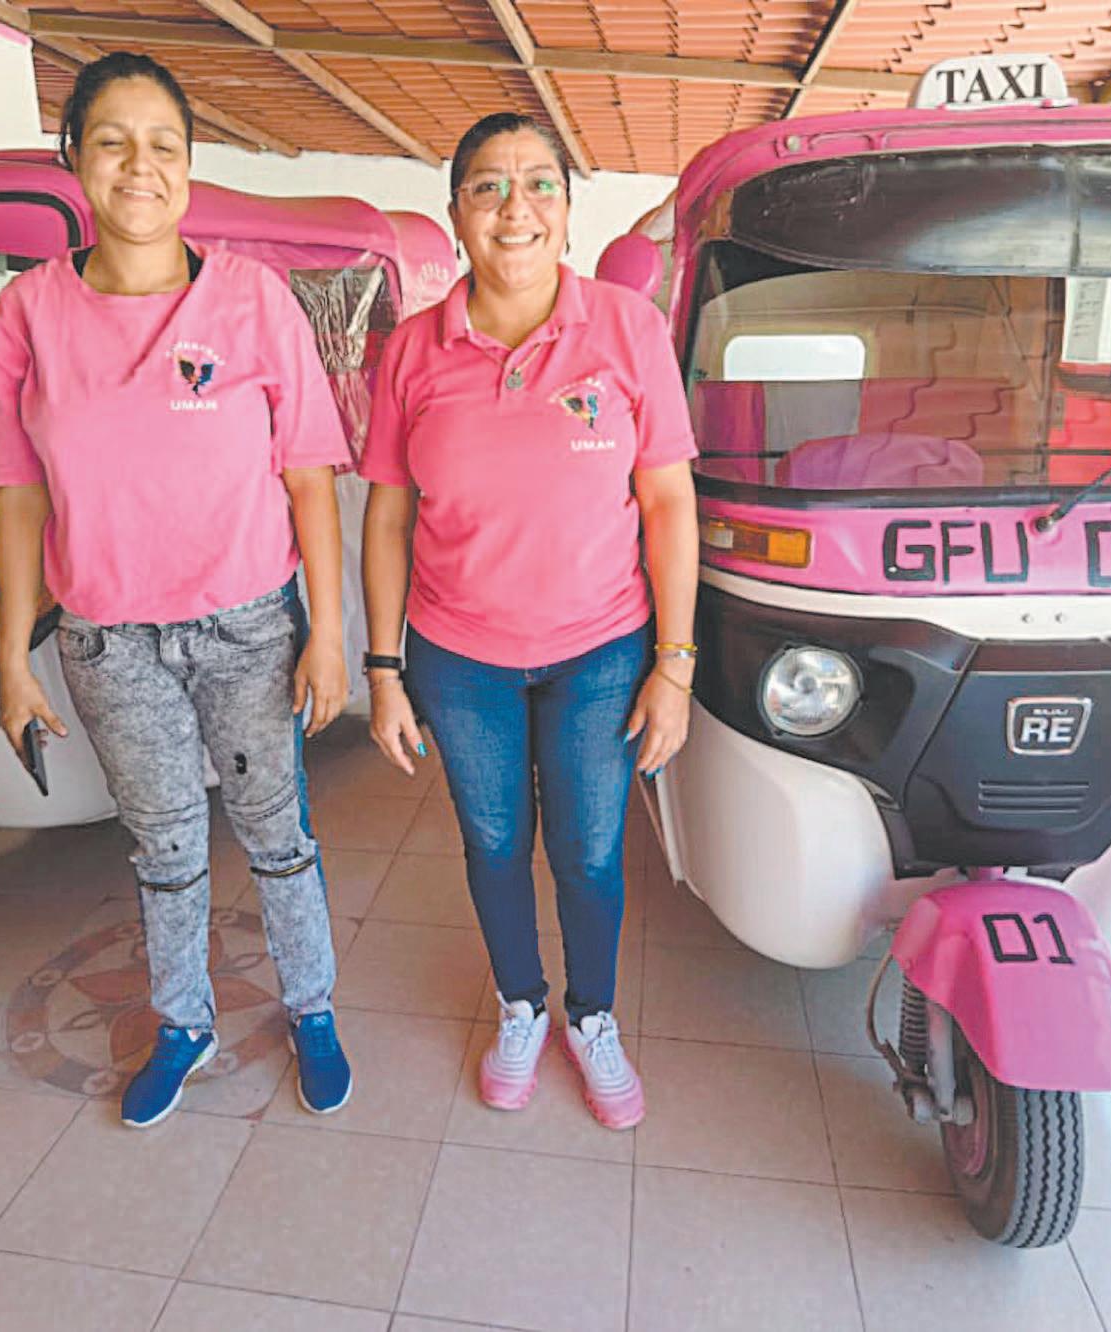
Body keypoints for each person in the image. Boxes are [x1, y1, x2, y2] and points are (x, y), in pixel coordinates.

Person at [0, 52, 353, 1127]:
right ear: (75, 160)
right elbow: (18, 495)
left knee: (275, 833)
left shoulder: (253, 300)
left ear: (188, 166)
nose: (139, 166)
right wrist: (13, 661)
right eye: (112, 142)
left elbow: (309, 478)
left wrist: (328, 636)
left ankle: (312, 1006)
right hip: (109, 641)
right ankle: (183, 1022)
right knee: (166, 845)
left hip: (249, 627)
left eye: (163, 146)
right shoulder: (27, 314)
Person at [359, 113, 700, 1130]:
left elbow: (668, 503)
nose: (516, 208)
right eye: (489, 186)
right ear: (456, 211)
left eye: (539, 183)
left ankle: (591, 1017)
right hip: (457, 656)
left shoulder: (627, 329)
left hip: (602, 650)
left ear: (568, 207)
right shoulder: (411, 350)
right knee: (494, 841)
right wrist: (382, 669)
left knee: (590, 853)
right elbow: (387, 514)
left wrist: (674, 666)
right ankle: (521, 1004)